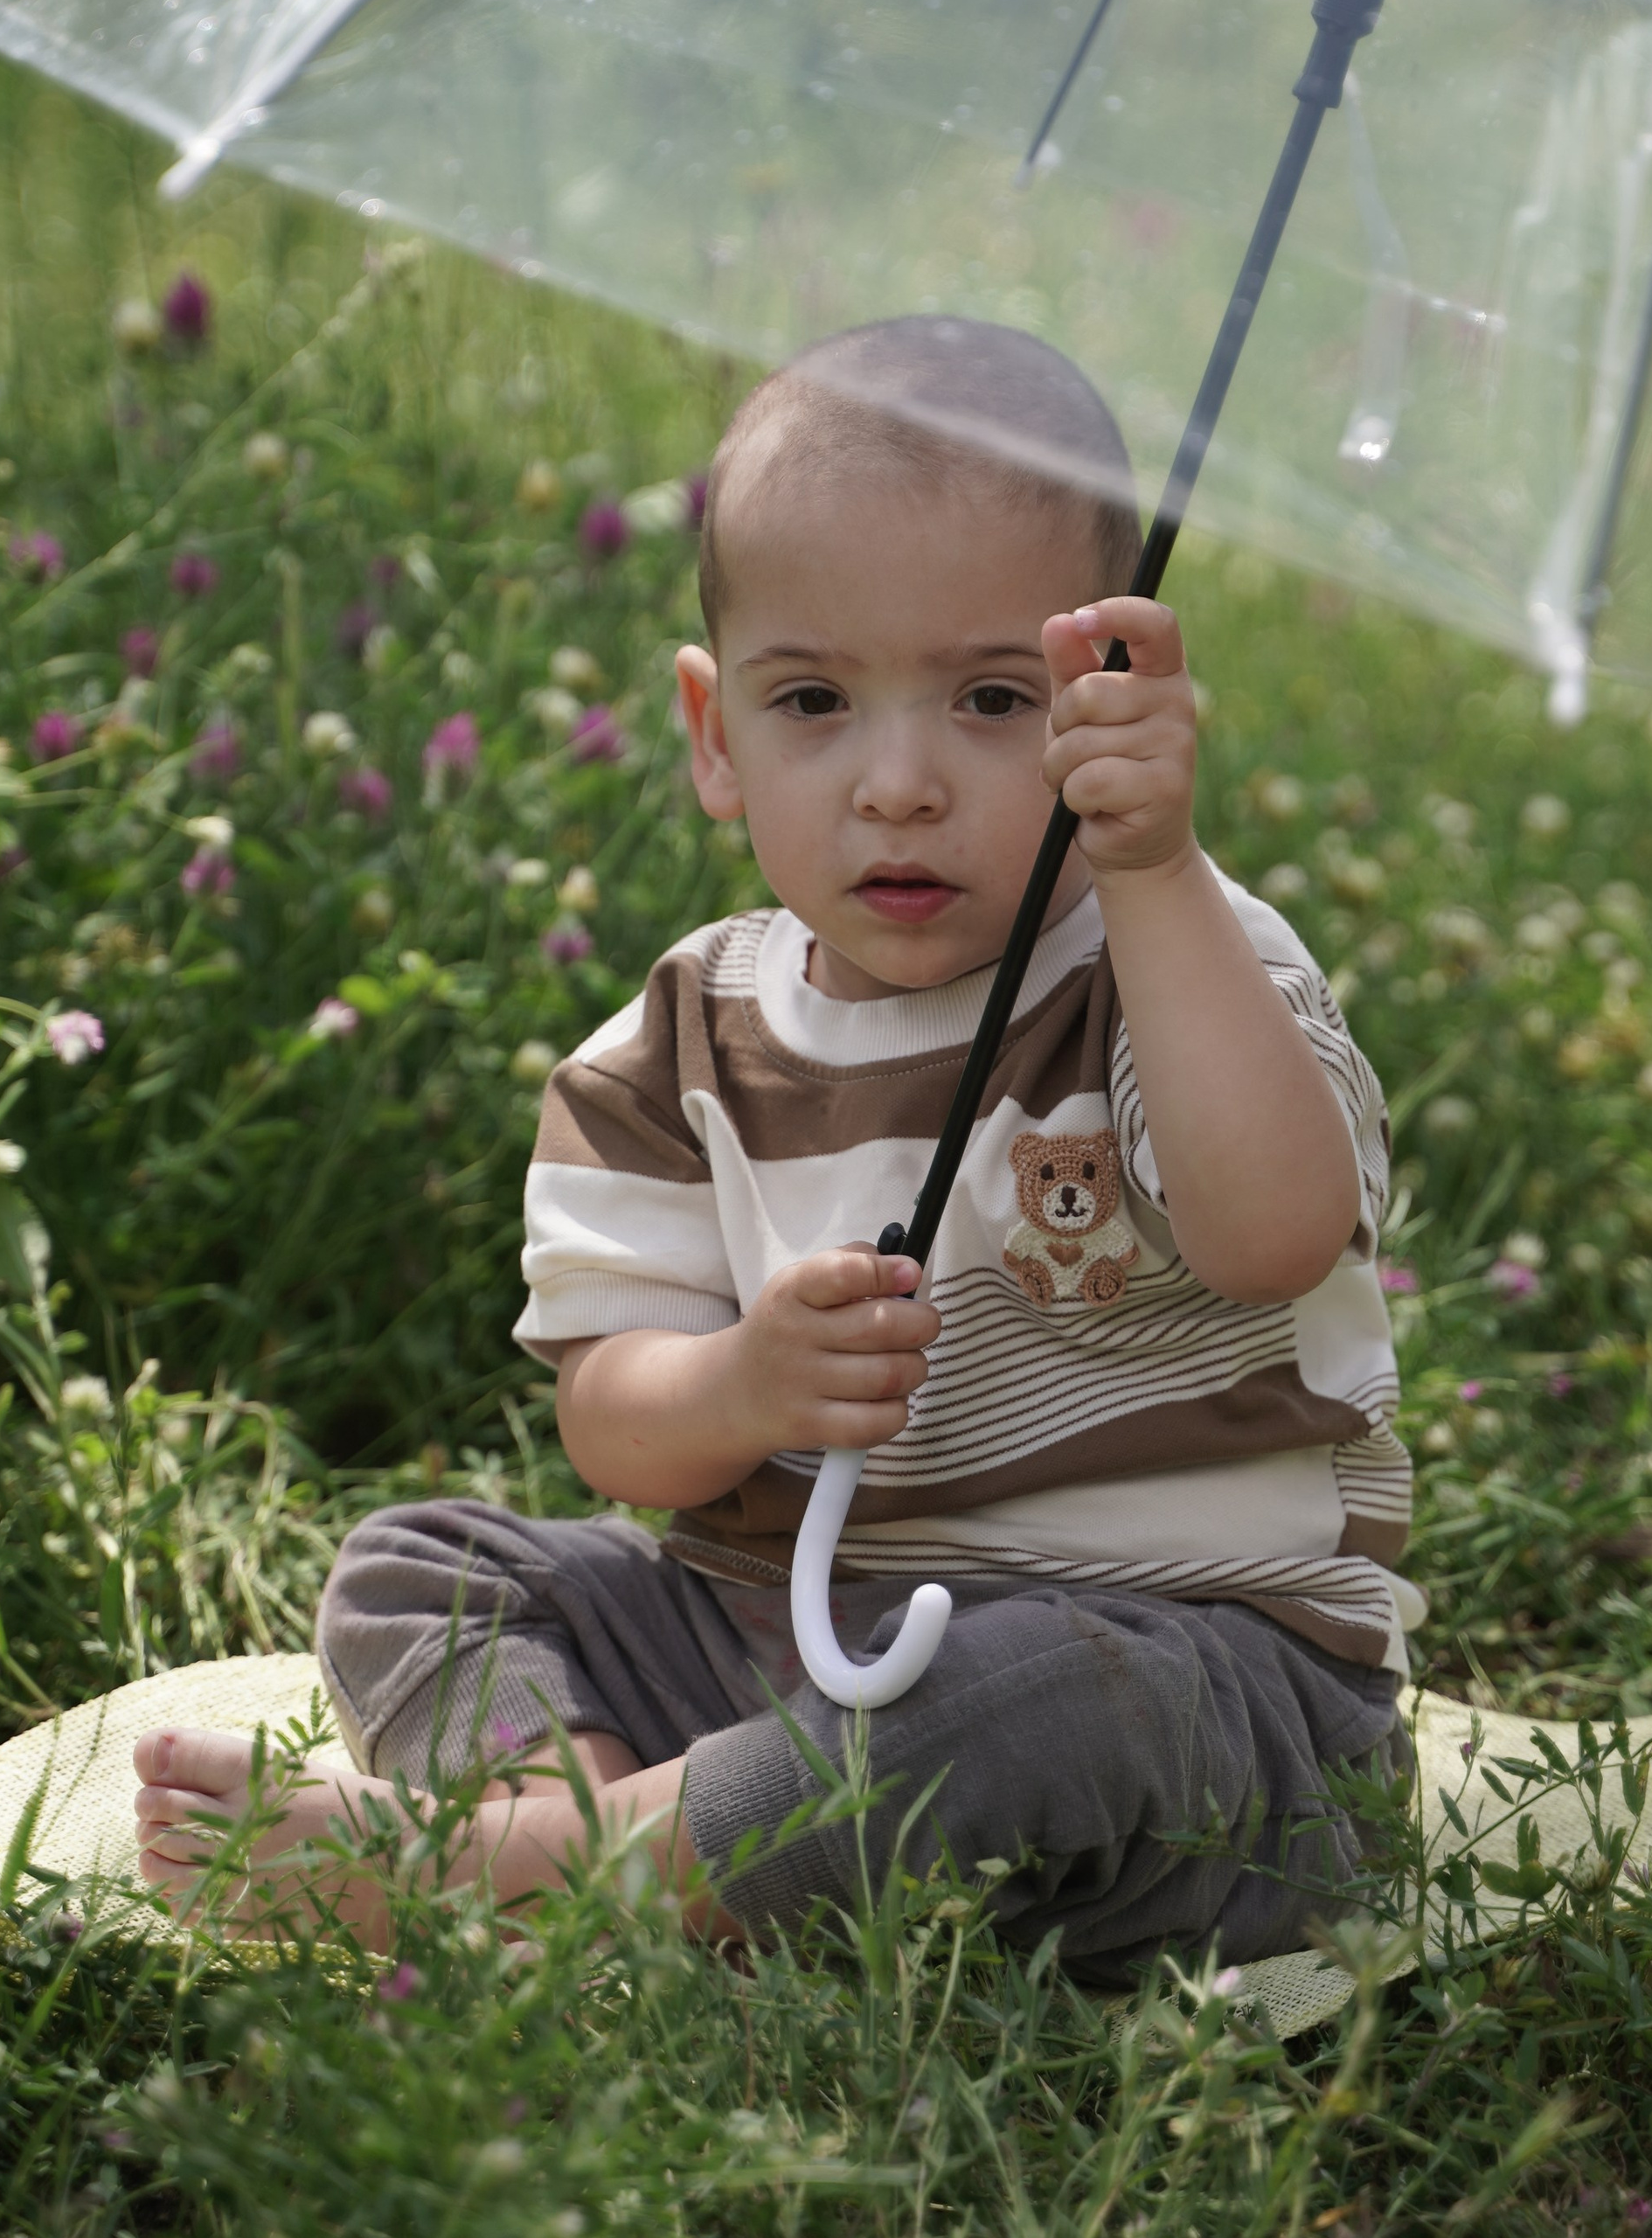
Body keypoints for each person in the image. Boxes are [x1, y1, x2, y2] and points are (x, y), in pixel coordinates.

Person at [135, 316, 1417, 1982]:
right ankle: (589, 1826)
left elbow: (1277, 1234)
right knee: (433, 1566)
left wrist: (1159, 872)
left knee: (1038, 1691)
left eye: (992, 700)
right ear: (712, 731)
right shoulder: (683, 1047)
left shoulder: (1180, 969)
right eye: (812, 700)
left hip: (1199, 1725)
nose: (898, 784)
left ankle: (547, 1877)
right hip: (785, 1660)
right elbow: (615, 1424)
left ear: (1113, 704)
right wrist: (743, 1387)